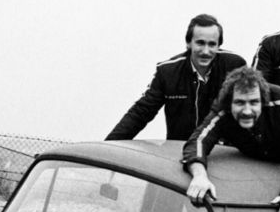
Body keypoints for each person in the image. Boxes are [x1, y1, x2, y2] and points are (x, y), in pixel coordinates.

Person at [182, 67, 280, 212]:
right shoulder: (223, 107)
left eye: (254, 102)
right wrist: (199, 176)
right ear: (230, 102)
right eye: (240, 103)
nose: (247, 111)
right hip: (256, 176)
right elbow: (198, 140)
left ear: (263, 101)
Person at [106, 14, 247, 141]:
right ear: (188, 43)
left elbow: (251, 106)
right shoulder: (167, 72)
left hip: (224, 153)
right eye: (200, 43)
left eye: (212, 44)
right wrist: (108, 147)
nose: (206, 51)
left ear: (219, 45)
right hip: (180, 151)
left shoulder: (235, 65)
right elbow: (141, 112)